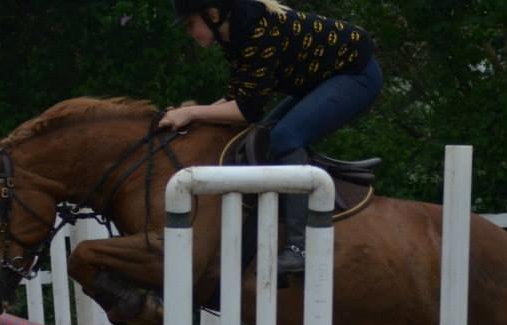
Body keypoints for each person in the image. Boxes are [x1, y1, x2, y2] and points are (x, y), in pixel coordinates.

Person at [161, 0, 383, 273]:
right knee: (263, 136)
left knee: (282, 139)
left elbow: (246, 111)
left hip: (356, 75)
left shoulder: (257, 31)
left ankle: (300, 247)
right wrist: (188, 115)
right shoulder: (236, 33)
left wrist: (193, 113)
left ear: (214, 14)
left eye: (190, 23)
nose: (189, 32)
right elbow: (239, 98)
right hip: (326, 78)